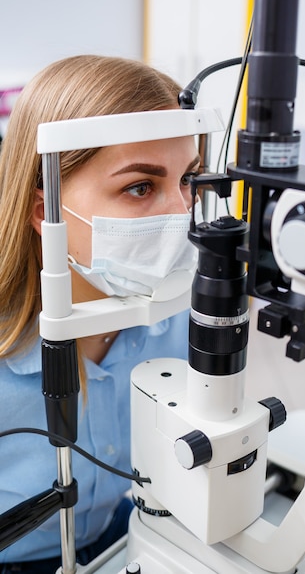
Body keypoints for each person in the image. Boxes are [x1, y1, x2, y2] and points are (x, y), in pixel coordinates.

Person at [0, 55, 203, 572]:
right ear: (43, 209)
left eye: (190, 181)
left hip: (128, 532)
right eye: (140, 186)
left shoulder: (182, 312)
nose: (182, 214)